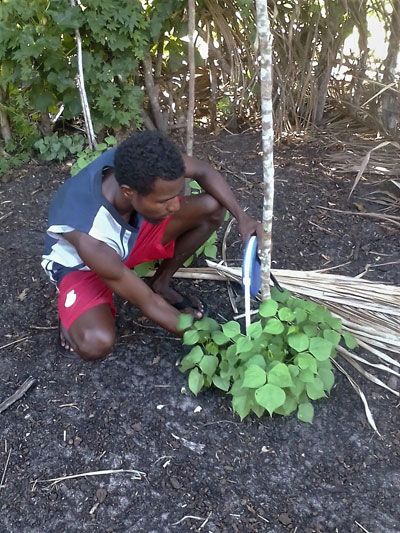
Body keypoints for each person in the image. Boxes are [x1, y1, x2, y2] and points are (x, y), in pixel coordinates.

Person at [42, 131, 261, 361]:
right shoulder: (89, 233)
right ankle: (70, 313)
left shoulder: (146, 168)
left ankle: (162, 282)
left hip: (127, 238)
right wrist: (215, 343)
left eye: (177, 195)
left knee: (211, 206)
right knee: (95, 342)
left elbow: (203, 170)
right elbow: (147, 301)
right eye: (165, 201)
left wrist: (242, 218)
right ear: (128, 192)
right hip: (83, 267)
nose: (176, 206)